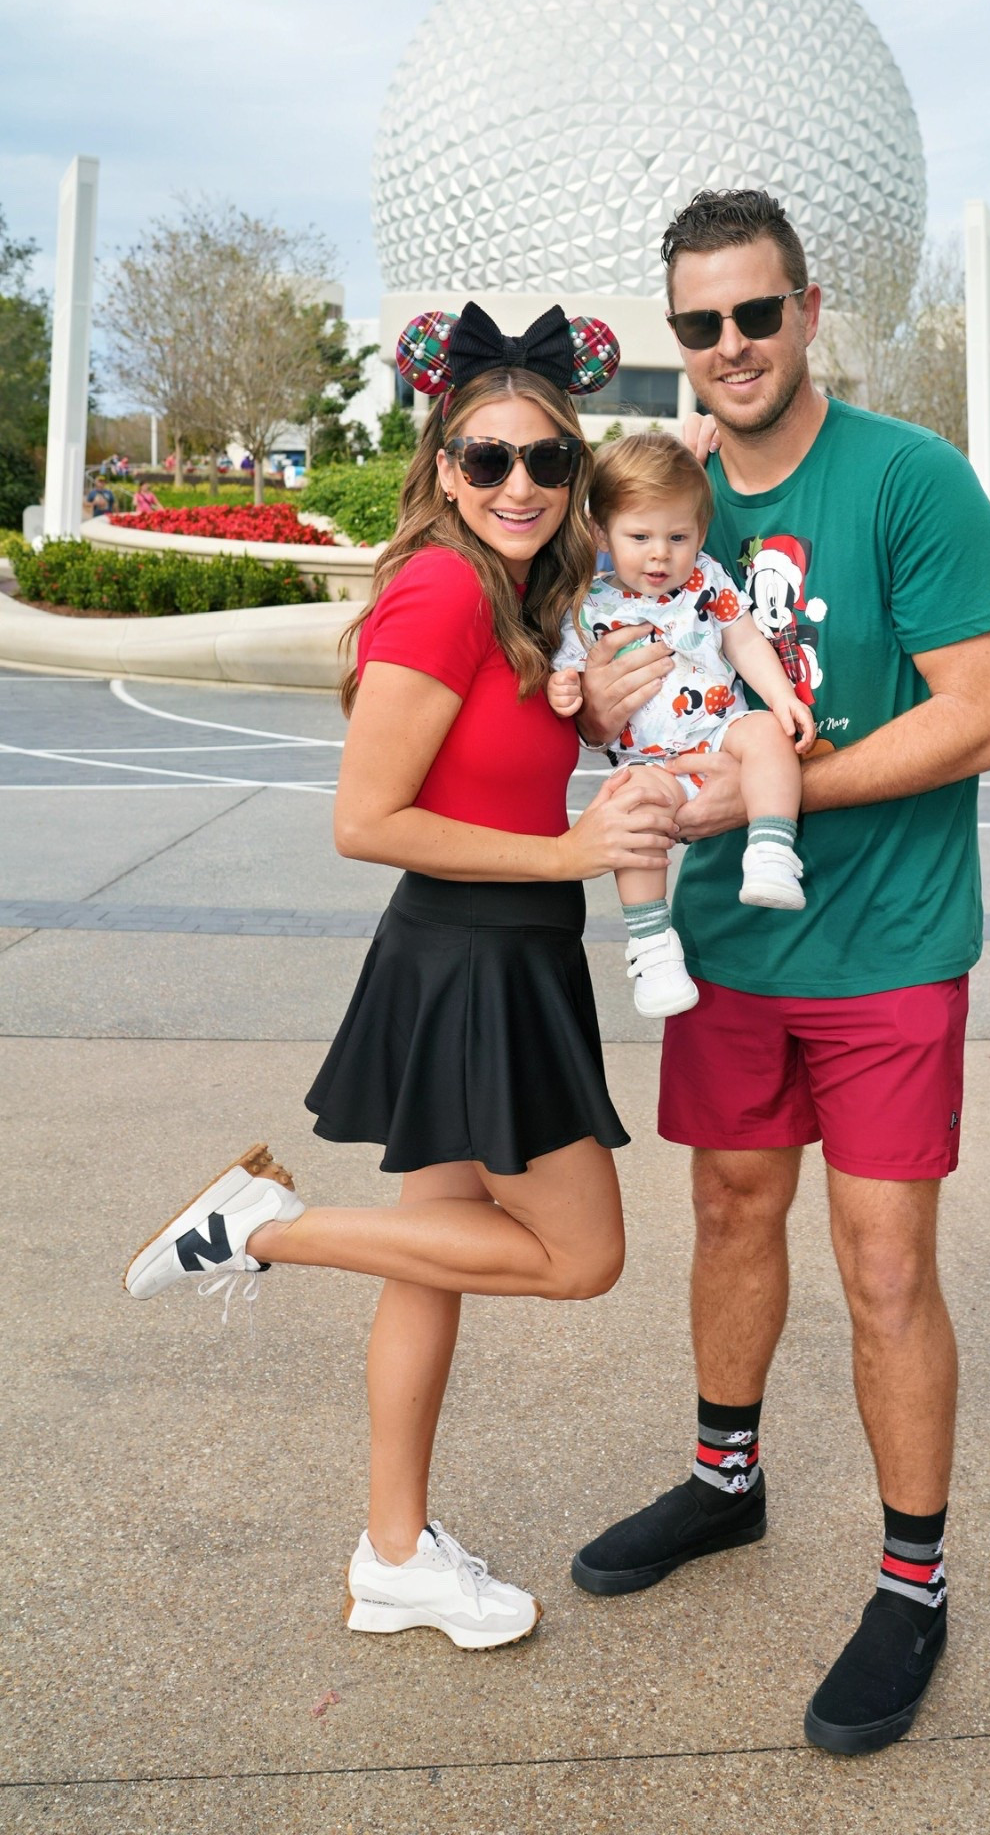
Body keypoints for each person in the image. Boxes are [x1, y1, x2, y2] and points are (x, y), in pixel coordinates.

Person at [123, 301, 679, 1652]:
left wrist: (584, 718)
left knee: (431, 1263)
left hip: (487, 955)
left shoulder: (512, 598)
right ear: (442, 463)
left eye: (548, 462)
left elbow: (480, 757)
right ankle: (255, 1228)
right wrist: (569, 850)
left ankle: (393, 1554)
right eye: (487, 459)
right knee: (579, 1257)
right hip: (476, 961)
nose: (520, 486)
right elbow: (364, 821)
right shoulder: (439, 587)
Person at [569, 189, 990, 1756]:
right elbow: (590, 683)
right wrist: (603, 715)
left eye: (754, 315)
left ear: (810, 308)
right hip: (729, 952)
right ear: (673, 335)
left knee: (886, 1266)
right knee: (727, 1209)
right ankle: (725, 1483)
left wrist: (779, 788)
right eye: (698, 325)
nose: (729, 348)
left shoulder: (909, 480)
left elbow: (987, 712)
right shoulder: (656, 498)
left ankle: (912, 1583)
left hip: (888, 949)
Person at [548, 432, 816, 1017]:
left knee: (768, 735)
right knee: (632, 810)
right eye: (639, 537)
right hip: (650, 763)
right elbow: (569, 672)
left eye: (678, 537)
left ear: (700, 532)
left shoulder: (708, 581)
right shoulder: (589, 607)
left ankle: (771, 849)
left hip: (720, 729)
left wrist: (781, 699)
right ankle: (652, 947)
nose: (660, 555)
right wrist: (563, 687)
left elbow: (744, 641)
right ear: (602, 534)